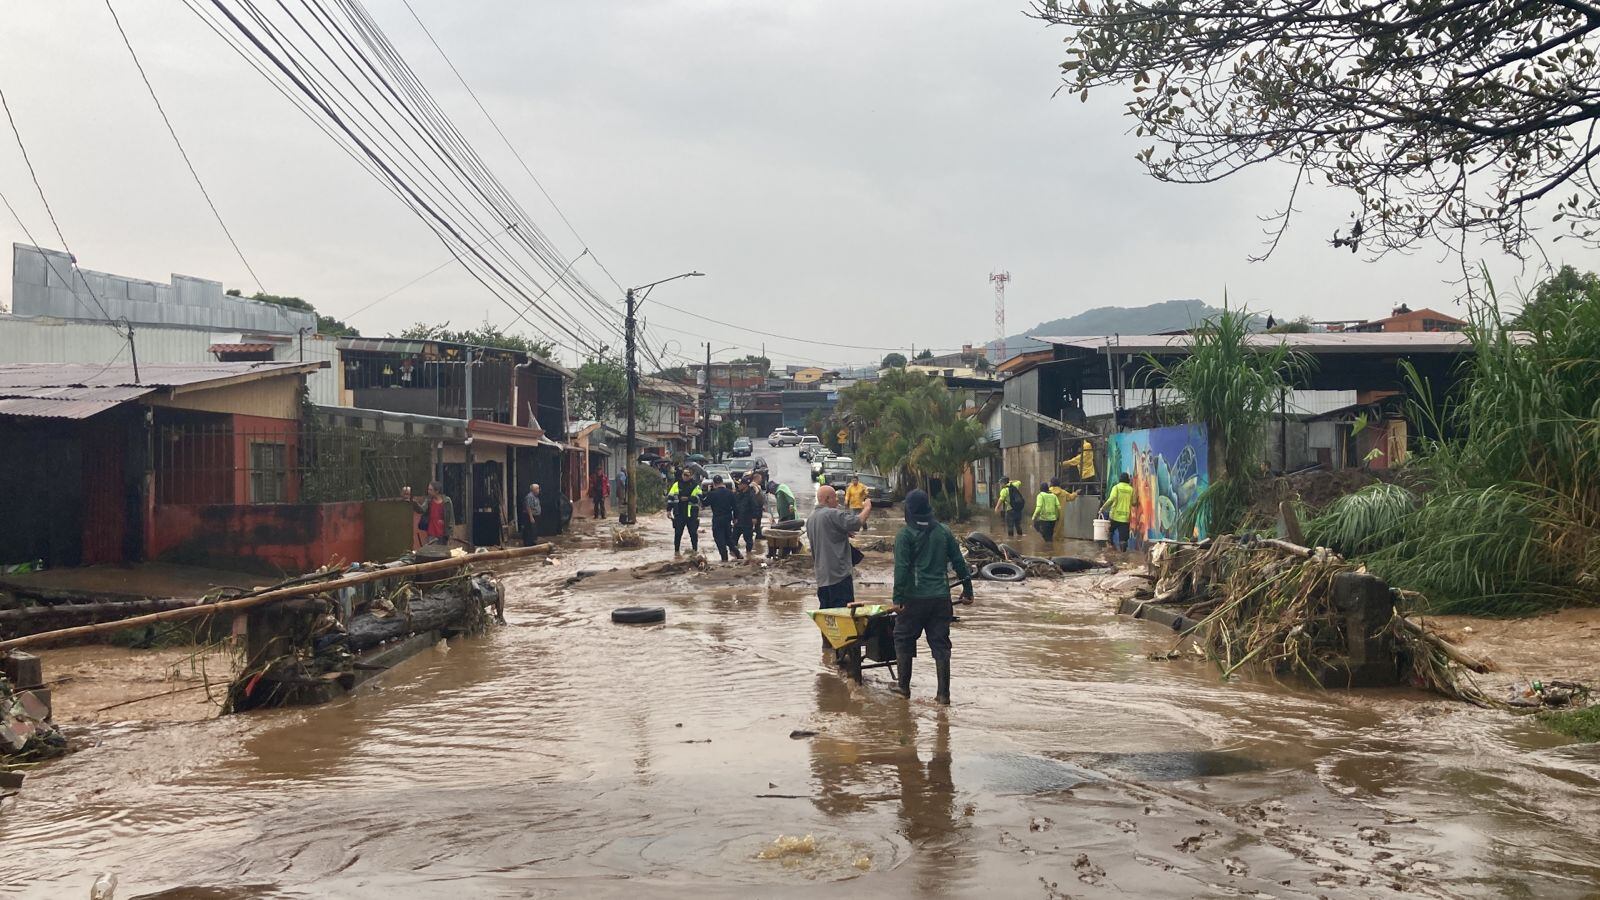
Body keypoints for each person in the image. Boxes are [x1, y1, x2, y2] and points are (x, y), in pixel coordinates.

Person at [891, 489, 973, 704]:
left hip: (913, 600)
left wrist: (898, 598)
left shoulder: (905, 535)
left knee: (903, 638)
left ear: (909, 510)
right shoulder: (944, 531)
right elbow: (959, 562)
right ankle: (943, 695)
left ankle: (903, 687)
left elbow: (901, 569)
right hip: (941, 599)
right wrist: (968, 590)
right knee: (941, 644)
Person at [806, 485, 872, 660]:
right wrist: (867, 507)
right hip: (839, 575)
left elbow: (828, 535)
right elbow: (857, 522)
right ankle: (845, 659)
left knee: (827, 617)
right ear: (827, 499)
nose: (838, 501)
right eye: (835, 498)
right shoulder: (832, 514)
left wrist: (843, 531)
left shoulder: (811, 519)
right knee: (844, 618)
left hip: (822, 577)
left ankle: (827, 655)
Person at [704, 475, 742, 562]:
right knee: (728, 538)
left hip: (717, 519)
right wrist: (736, 518)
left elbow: (705, 503)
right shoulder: (730, 493)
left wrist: (708, 492)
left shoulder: (712, 494)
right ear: (722, 482)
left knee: (719, 539)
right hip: (727, 518)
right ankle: (738, 554)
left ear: (714, 483)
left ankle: (724, 558)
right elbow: (735, 507)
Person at [666, 469, 703, 554]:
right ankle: (676, 552)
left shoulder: (695, 485)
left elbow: (699, 498)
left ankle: (695, 551)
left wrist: (688, 498)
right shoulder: (676, 484)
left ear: (691, 476)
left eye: (687, 475)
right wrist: (668, 510)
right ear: (682, 475)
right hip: (679, 513)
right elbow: (670, 498)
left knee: (693, 533)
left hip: (692, 514)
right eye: (684, 475)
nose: (685, 477)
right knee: (678, 534)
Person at [1100, 472, 1135, 552]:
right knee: (1123, 540)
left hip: (1114, 516)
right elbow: (1134, 502)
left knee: (1109, 533)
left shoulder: (1116, 487)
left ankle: (1111, 550)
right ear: (1128, 480)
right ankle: (1123, 555)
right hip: (1125, 518)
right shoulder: (1131, 490)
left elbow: (1111, 499)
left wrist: (1103, 507)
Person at [734, 476, 762, 555]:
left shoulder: (751, 495)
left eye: (740, 484)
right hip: (738, 521)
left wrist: (754, 517)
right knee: (733, 538)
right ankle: (735, 554)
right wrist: (735, 517)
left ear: (745, 485)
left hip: (747, 521)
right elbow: (735, 507)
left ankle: (749, 554)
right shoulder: (739, 494)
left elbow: (755, 506)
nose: (739, 486)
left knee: (748, 539)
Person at [422, 481, 456, 546]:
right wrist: (413, 503)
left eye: (430, 490)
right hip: (432, 532)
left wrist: (450, 533)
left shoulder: (447, 501)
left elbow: (451, 518)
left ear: (437, 491)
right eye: (428, 489)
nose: (428, 491)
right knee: (432, 550)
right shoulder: (429, 500)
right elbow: (422, 509)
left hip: (443, 533)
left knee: (443, 550)